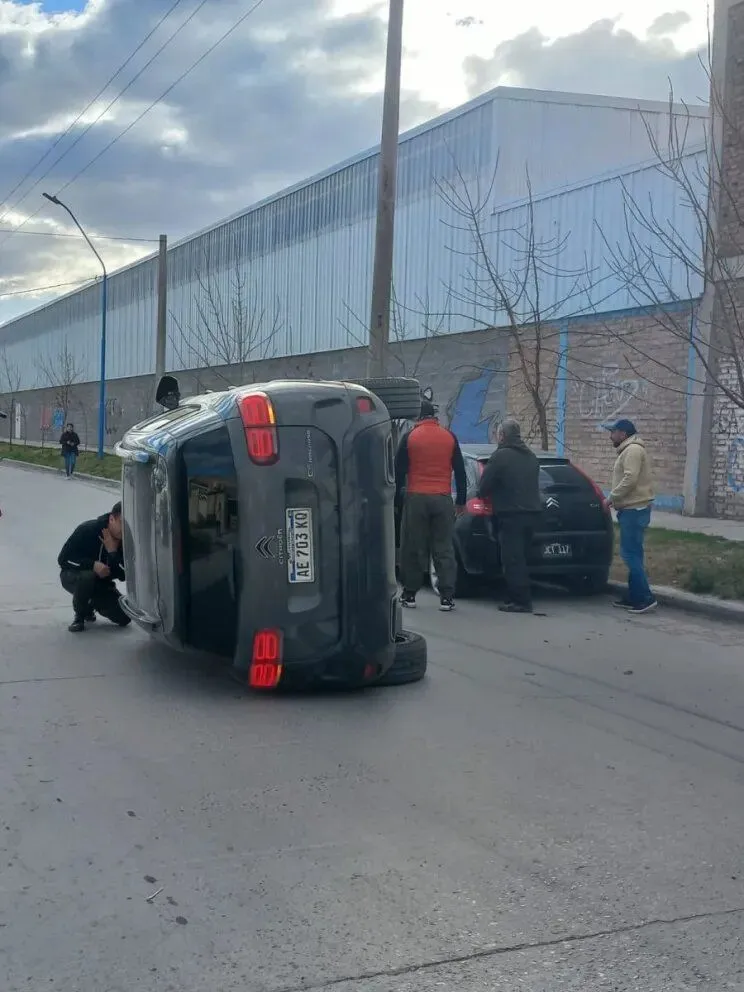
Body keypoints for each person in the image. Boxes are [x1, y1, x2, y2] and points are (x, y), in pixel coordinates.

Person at [395, 399, 467, 611]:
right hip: (443, 499)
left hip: (416, 497)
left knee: (413, 548)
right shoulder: (449, 437)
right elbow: (460, 472)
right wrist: (460, 501)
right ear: (434, 417)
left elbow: (399, 471)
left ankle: (409, 595)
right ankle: (446, 596)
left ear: (418, 417)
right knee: (443, 547)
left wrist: (399, 501)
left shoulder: (410, 437)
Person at [477, 419, 541, 614]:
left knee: (512, 559)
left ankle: (520, 601)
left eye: (498, 434)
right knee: (522, 557)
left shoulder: (500, 456)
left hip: (511, 513)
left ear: (502, 436)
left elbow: (484, 486)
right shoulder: (530, 456)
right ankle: (520, 595)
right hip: (533, 513)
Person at [604, 418, 657, 614]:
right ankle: (634, 597)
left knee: (629, 554)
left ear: (623, 434)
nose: (611, 436)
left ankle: (645, 597)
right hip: (633, 508)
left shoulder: (633, 450)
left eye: (613, 432)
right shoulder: (630, 449)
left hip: (635, 509)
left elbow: (630, 478)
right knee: (634, 554)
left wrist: (611, 498)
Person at [57, 501, 131, 633]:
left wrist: (113, 552)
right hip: (74, 576)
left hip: (102, 584)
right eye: (121, 523)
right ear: (111, 518)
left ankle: (90, 603)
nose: (124, 529)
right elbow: (63, 559)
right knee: (87, 576)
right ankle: (80, 616)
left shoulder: (126, 541)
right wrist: (92, 565)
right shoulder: (88, 530)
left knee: (124, 618)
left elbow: (125, 575)